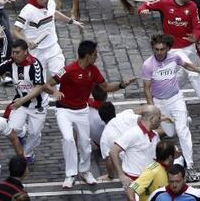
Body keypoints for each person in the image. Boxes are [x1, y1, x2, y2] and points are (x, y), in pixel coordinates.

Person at [44, 40, 136, 189]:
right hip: (64, 110)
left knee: (85, 144)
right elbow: (47, 84)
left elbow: (106, 88)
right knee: (68, 139)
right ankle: (70, 174)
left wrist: (122, 84)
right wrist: (54, 92)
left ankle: (85, 171)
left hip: (81, 111)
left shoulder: (94, 71)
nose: (97, 57)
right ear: (87, 56)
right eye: (95, 54)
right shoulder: (67, 70)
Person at [142, 34, 200, 182]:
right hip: (159, 103)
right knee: (170, 133)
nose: (159, 52)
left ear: (167, 48)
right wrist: (152, 108)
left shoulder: (174, 57)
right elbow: (146, 88)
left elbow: (188, 66)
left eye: (162, 49)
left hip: (176, 99)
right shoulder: (147, 65)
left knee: (183, 132)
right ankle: (183, 121)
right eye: (156, 49)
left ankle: (189, 166)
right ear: (153, 48)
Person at [138, 0, 200, 117]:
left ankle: (165, 96)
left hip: (190, 48)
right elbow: (145, 5)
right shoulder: (165, 3)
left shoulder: (192, 6)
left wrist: (196, 37)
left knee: (185, 75)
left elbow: (196, 27)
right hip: (174, 50)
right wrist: (142, 10)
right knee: (193, 74)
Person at [0, 39, 46, 165]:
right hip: (20, 102)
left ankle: (28, 152)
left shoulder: (35, 65)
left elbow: (38, 87)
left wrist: (22, 100)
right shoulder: (10, 62)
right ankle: (24, 144)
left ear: (25, 52)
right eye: (13, 52)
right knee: (13, 128)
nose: (14, 55)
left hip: (37, 104)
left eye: (17, 52)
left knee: (35, 133)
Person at [13, 0, 83, 79]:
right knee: (39, 81)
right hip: (36, 53)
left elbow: (54, 13)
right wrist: (27, 41)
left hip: (53, 48)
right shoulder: (27, 11)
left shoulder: (50, 3)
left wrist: (71, 21)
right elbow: (16, 31)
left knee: (61, 76)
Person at [110, 105, 161, 188]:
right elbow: (113, 152)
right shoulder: (132, 133)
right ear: (152, 119)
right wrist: (121, 175)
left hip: (150, 179)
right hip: (134, 180)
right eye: (158, 118)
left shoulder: (155, 135)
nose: (160, 121)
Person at [99, 102, 141, 178]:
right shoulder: (125, 115)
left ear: (101, 118)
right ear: (114, 111)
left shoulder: (104, 138)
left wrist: (110, 176)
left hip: (133, 169)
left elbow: (109, 162)